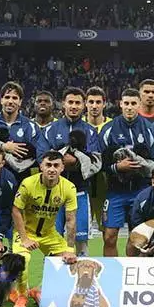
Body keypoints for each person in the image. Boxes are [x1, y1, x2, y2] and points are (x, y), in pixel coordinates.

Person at [35, 87, 103, 256]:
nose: (73, 106)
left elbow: (96, 161)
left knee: (81, 242)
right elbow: (41, 157)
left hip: (80, 192)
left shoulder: (90, 131)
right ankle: (51, 272)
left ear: (83, 105)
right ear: (63, 104)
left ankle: (81, 272)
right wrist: (61, 162)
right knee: (52, 240)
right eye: (70, 102)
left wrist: (77, 162)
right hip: (53, 193)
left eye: (77, 103)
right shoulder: (50, 130)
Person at [10, 151, 80, 307]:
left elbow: (71, 219)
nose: (52, 169)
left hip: (49, 234)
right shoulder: (28, 183)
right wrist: (24, 238)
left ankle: (38, 290)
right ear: (41, 166)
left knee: (69, 261)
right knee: (22, 260)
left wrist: (69, 249)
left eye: (56, 165)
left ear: (62, 168)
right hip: (26, 232)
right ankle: (22, 296)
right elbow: (16, 210)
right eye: (48, 165)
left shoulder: (69, 187)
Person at [98, 88, 154, 257]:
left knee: (137, 238)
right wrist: (117, 168)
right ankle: (112, 271)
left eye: (133, 103)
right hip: (115, 191)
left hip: (141, 191)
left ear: (139, 105)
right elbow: (100, 162)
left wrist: (143, 166)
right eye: (126, 103)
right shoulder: (108, 129)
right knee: (109, 236)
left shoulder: (150, 130)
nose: (129, 107)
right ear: (120, 104)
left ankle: (131, 270)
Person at [85, 86, 111, 234]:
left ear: (104, 104)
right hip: (84, 183)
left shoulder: (112, 125)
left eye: (98, 102)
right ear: (86, 103)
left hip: (106, 183)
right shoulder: (79, 125)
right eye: (91, 102)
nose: (94, 106)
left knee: (106, 229)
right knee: (80, 228)